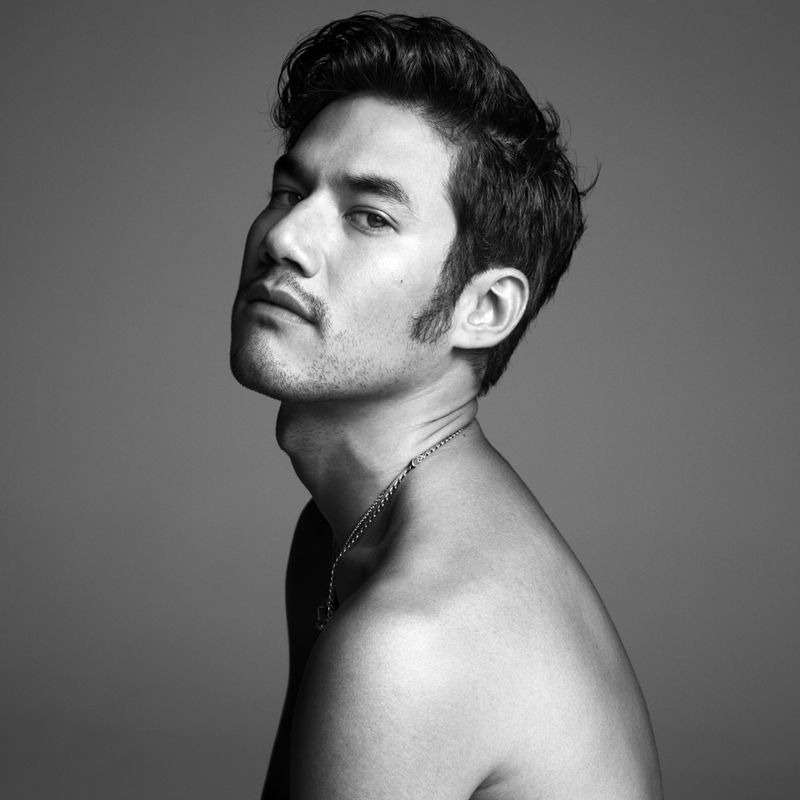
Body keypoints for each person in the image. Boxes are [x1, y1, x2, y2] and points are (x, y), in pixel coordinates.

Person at [230, 12, 661, 799]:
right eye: (288, 190)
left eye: (369, 217)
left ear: (485, 309)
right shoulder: (337, 537)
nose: (285, 236)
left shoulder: (411, 641)